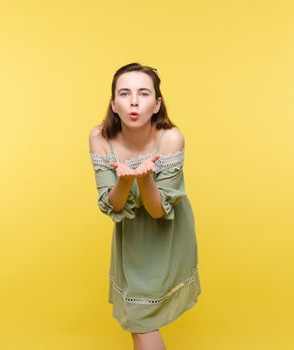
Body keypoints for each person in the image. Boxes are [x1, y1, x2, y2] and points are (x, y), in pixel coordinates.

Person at [88, 62, 202, 350]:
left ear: (157, 104)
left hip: (167, 236)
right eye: (125, 93)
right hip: (131, 239)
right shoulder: (100, 137)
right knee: (139, 320)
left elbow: (158, 210)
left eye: (144, 93)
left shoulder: (170, 138)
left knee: (141, 321)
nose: (134, 101)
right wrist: (125, 182)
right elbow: (110, 206)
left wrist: (145, 179)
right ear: (114, 104)